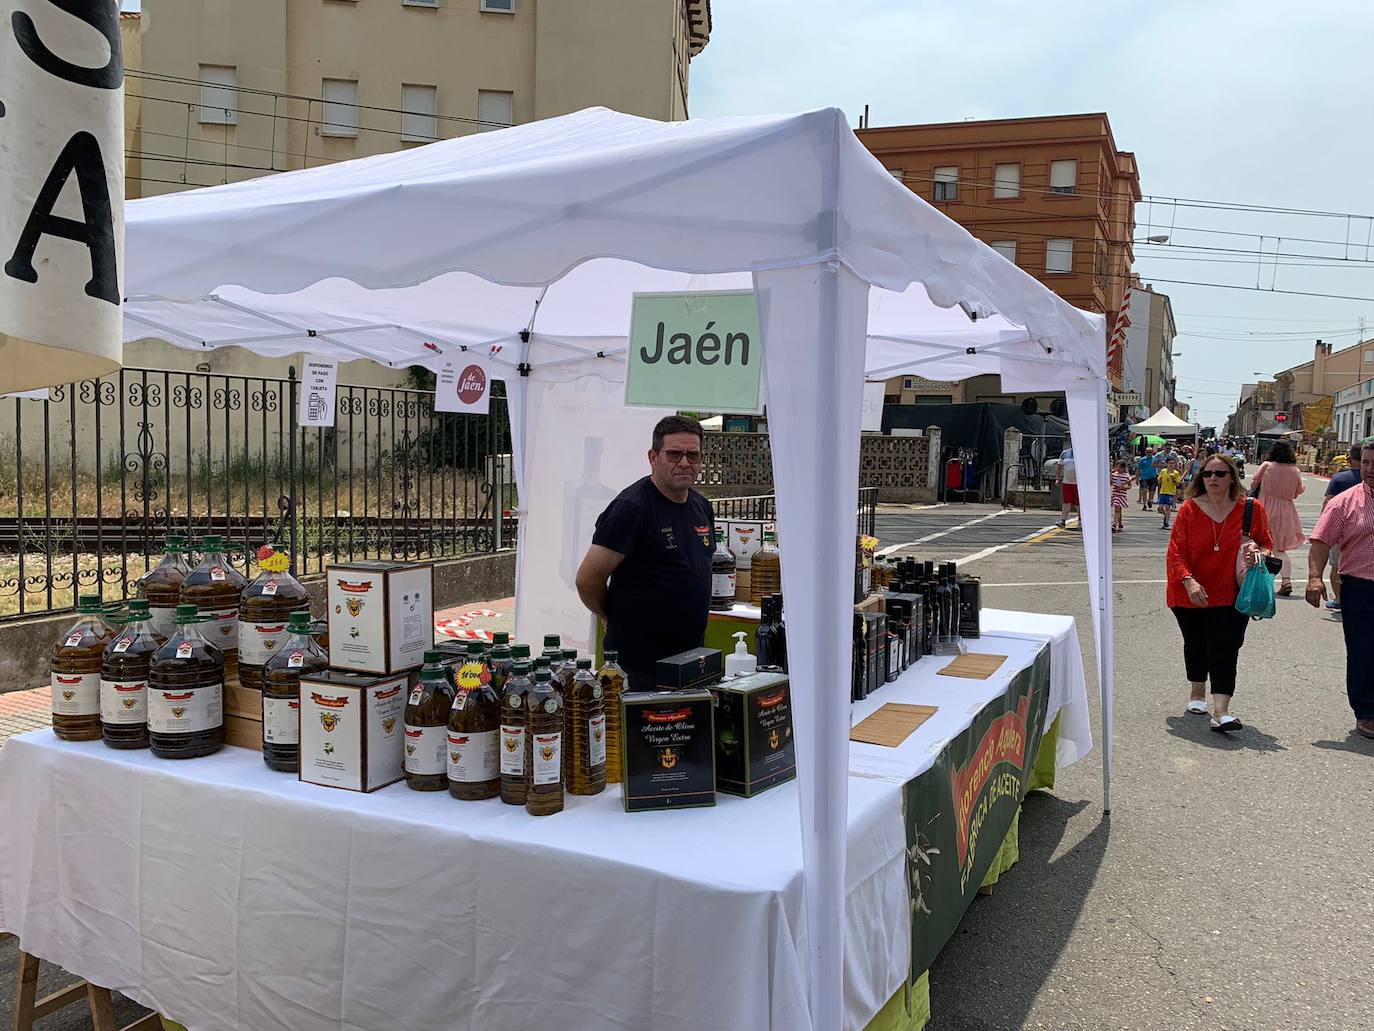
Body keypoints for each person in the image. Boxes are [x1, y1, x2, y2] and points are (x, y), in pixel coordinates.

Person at [575, 415, 715, 690]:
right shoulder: (632, 508)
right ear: (653, 457)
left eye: (693, 455)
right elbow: (587, 579)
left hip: (691, 660)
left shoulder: (702, 506)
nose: (685, 463)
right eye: (674, 454)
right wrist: (609, 616)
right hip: (639, 668)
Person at [1166, 454, 1274, 731]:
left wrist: (1258, 555)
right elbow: (1176, 552)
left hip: (1234, 591)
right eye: (1207, 474)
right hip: (1190, 591)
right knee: (1196, 644)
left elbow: (1267, 545)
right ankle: (1197, 692)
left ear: (1232, 477)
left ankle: (1221, 711)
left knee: (1226, 647)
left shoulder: (1252, 509)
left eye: (1220, 473)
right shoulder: (1189, 510)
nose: (1213, 479)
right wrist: (1189, 581)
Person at [1304, 446, 1374, 739]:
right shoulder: (1345, 503)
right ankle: (1367, 711)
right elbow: (1321, 542)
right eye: (1367, 462)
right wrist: (1314, 578)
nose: (1369, 469)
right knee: (1363, 651)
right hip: (1360, 588)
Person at [1249, 440, 1306, 596]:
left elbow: (1254, 484)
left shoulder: (1267, 466)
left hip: (1264, 508)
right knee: (1279, 549)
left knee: (1260, 545)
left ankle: (1256, 582)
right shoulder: (1295, 470)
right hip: (1286, 511)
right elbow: (1297, 491)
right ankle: (1286, 581)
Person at [1321, 445, 1363, 612]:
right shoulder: (1367, 477)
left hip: (1339, 529)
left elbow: (1328, 503)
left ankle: (1339, 599)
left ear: (1349, 459)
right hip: (1363, 529)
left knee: (1336, 565)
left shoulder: (1339, 478)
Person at [1056, 441, 1078, 528]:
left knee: (1078, 503)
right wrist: (1057, 478)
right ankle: (1063, 520)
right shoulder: (1065, 453)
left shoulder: (1082, 454)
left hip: (1078, 484)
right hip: (1067, 482)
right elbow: (1059, 466)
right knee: (1066, 502)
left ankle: (1080, 521)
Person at [1156, 458, 1183, 529]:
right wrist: (1159, 479)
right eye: (1170, 463)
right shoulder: (1163, 471)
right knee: (1160, 508)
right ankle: (1166, 516)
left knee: (1167, 507)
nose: (1171, 465)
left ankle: (1166, 523)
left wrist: (1173, 479)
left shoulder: (1176, 473)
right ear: (1167, 463)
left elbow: (1178, 484)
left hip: (1171, 492)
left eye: (1173, 463)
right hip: (1163, 491)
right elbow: (1159, 481)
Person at [1110, 460, 1132, 533]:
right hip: (1115, 494)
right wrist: (1111, 473)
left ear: (1123, 468)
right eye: (1117, 467)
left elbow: (1129, 486)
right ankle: (1118, 523)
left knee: (1118, 508)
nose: (1118, 469)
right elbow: (1110, 481)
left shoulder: (1126, 476)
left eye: (1119, 467)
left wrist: (1124, 487)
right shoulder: (1114, 475)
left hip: (1122, 495)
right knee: (1118, 508)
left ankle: (1115, 524)